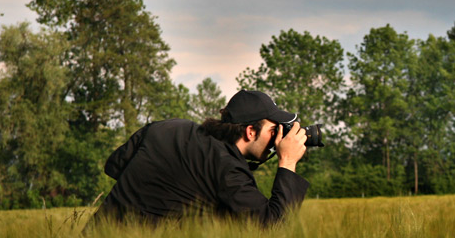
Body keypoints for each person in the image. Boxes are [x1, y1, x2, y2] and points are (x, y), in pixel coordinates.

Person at [89, 90, 310, 227]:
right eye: (274, 131)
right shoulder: (228, 169)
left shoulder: (169, 127)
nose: (277, 139)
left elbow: (114, 166)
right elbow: (273, 226)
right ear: (250, 132)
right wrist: (288, 161)